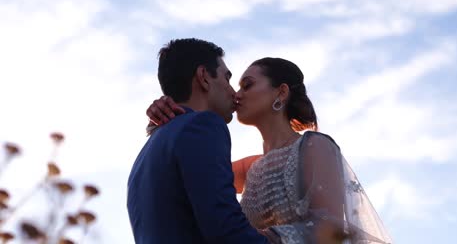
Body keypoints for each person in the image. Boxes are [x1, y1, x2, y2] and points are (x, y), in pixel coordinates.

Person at [147, 57, 393, 243]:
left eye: (247, 85)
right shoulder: (251, 167)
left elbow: (332, 228)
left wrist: (260, 238)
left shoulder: (314, 146)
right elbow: (188, 178)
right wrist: (170, 113)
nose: (236, 94)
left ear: (281, 92)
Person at [127, 38, 278, 244]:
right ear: (204, 77)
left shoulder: (145, 154)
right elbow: (226, 229)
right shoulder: (203, 125)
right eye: (227, 79)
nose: (234, 93)